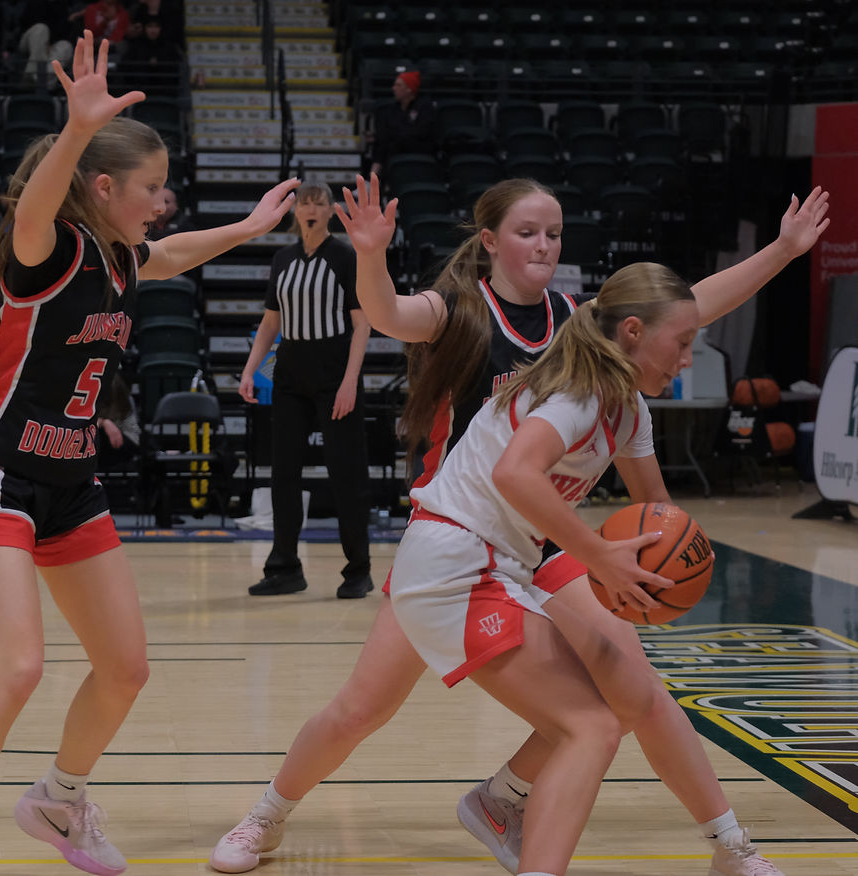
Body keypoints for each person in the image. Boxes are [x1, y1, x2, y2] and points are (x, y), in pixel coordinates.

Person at [210, 173, 829, 874]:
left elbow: (679, 309)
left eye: (554, 233)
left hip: (539, 538)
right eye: (527, 232)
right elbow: (384, 314)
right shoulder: (460, 312)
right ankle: (267, 814)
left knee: (634, 693)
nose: (543, 245)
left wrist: (782, 251)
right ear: (490, 241)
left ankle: (727, 845)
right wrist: (372, 255)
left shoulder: (582, 325)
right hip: (459, 533)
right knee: (362, 708)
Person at [0, 30, 299, 876]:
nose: (163, 200)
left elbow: (173, 253)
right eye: (151, 187)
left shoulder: (121, 259)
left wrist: (249, 226)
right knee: (18, 668)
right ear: (102, 187)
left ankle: (59, 799)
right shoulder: (45, 250)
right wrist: (77, 129)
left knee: (125, 668)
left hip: (70, 480)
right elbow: (31, 209)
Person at [387, 261, 715, 875]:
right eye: (682, 342)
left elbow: (658, 513)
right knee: (588, 727)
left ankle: (499, 805)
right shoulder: (577, 393)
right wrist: (599, 556)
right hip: (455, 561)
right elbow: (515, 474)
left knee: (612, 710)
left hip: (494, 565)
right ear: (635, 332)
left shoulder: (626, 408)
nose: (687, 359)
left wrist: (683, 560)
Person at [237, 180, 373, 599]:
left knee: (346, 472)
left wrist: (350, 381)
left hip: (335, 371)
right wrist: (249, 369)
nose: (312, 209)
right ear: (295, 212)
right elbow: (271, 322)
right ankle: (284, 568)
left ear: (331, 211)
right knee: (284, 473)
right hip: (290, 372)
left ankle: (358, 570)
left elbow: (362, 323)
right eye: (305, 203)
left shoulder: (346, 257)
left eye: (319, 203)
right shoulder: (282, 259)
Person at [366, 70, 436, 179]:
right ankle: (374, 176)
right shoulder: (393, 109)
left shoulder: (424, 107)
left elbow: (421, 131)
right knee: (381, 142)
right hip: (395, 148)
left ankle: (375, 175)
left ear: (409, 89)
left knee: (392, 141)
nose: (394, 88)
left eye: (398, 85)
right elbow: (387, 130)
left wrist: (396, 133)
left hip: (417, 149)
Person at [119, 15, 183, 95]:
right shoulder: (136, 46)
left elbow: (177, 66)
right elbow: (126, 67)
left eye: (156, 27)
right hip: (140, 90)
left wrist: (159, 63)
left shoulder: (169, 47)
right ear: (145, 28)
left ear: (161, 28)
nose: (153, 30)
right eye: (150, 26)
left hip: (166, 91)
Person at [17, 0, 75, 85]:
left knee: (66, 46)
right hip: (29, 40)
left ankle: (37, 81)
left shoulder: (62, 5)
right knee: (41, 29)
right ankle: (29, 74)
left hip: (52, 43)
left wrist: (50, 42)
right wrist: (45, 41)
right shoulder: (34, 3)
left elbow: (63, 32)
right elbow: (26, 23)